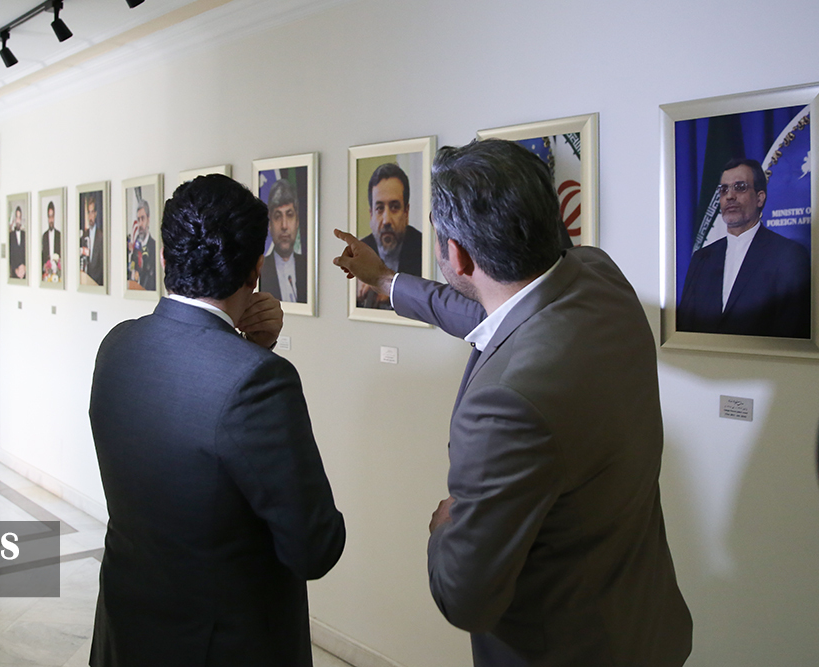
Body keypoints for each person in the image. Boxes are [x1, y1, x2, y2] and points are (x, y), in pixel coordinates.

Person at [334, 139, 692, 666]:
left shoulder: (505, 404)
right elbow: (495, 315)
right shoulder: (598, 275)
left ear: (457, 255)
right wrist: (388, 282)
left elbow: (464, 596)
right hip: (647, 629)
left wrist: (444, 528)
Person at [89, 174, 345, 667]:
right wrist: (254, 357)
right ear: (256, 270)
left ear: (167, 258)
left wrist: (250, 350)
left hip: (127, 627)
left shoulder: (117, 346)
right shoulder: (261, 381)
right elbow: (315, 548)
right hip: (223, 646)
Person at [676, 157, 810, 338]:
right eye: (724, 190)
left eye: (740, 187)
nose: (729, 196)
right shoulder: (702, 258)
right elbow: (685, 327)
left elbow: (791, 332)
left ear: (760, 198)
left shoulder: (788, 255)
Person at [358, 162, 422, 308]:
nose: (386, 220)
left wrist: (393, 292)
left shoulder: (423, 250)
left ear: (406, 213)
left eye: (394, 207)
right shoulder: (358, 253)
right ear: (371, 215)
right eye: (379, 208)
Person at [259, 178, 307, 303]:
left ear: (297, 222)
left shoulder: (307, 267)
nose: (284, 225)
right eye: (277, 216)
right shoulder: (260, 270)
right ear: (270, 224)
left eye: (289, 215)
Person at [127, 197, 157, 290]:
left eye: (142, 219)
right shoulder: (134, 248)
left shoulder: (154, 247)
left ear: (148, 220)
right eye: (138, 219)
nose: (140, 224)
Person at [81, 194, 104, 286]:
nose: (90, 216)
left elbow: (102, 265)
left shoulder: (101, 236)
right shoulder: (84, 235)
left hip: (97, 283)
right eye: (89, 212)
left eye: (92, 212)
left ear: (95, 214)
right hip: (85, 282)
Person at [41, 201, 62, 282]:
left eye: (52, 216)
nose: (51, 220)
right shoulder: (44, 236)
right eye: (49, 217)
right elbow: (42, 256)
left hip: (58, 274)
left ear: (54, 217)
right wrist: (44, 267)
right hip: (47, 274)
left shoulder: (59, 235)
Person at [8, 205, 26, 279]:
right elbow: (10, 255)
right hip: (14, 274)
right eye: (17, 217)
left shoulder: (25, 235)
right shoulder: (10, 236)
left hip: (25, 275)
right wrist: (16, 270)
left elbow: (27, 253)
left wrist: (24, 267)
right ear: (15, 219)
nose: (18, 220)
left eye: (19, 217)